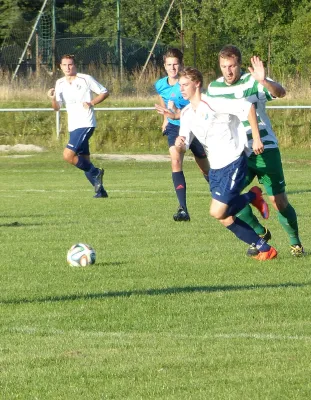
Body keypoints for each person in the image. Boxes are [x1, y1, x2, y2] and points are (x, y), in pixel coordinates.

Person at [158, 67, 277, 260]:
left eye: (185, 84)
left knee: (217, 211)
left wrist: (256, 138)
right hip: (215, 169)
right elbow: (184, 143)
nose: (181, 89)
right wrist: (180, 144)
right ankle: (264, 248)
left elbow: (248, 108)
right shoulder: (187, 113)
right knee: (224, 217)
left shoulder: (213, 102)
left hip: (233, 161)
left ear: (197, 84)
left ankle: (252, 195)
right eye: (180, 85)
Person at [207, 45, 304, 257]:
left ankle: (295, 243)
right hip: (237, 153)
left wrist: (263, 80)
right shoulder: (214, 89)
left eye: (232, 66)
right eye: (224, 66)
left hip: (265, 149)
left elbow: (281, 93)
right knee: (229, 200)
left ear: (239, 65)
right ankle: (260, 235)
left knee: (278, 202)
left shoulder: (252, 81)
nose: (228, 71)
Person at [154, 48, 210, 222]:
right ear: (164, 66)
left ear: (181, 64)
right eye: (169, 64)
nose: (172, 68)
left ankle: (222, 194)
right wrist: (166, 119)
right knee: (175, 159)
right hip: (175, 127)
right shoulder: (160, 84)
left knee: (204, 166)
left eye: (175, 64)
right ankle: (183, 208)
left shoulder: (187, 82)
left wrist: (178, 113)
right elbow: (164, 101)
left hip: (194, 126)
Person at [47, 54, 109, 198]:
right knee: (84, 160)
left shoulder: (85, 78)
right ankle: (101, 192)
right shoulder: (60, 83)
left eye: (70, 65)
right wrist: (52, 99)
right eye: (64, 65)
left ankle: (96, 172)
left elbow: (104, 92)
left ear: (75, 65)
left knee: (68, 155)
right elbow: (57, 107)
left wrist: (92, 103)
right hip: (73, 125)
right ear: (60, 67)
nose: (68, 68)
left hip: (85, 123)